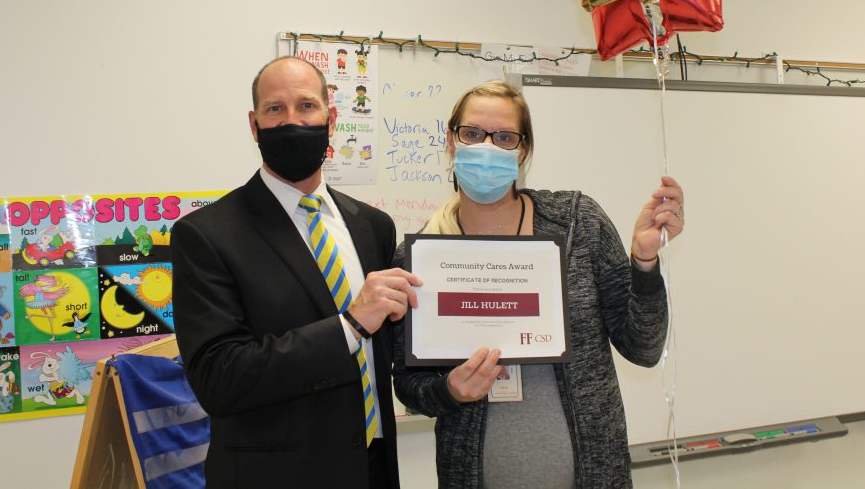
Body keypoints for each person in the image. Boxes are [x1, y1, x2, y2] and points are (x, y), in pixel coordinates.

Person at [391, 80, 684, 489]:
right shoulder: (420, 258)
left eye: (505, 137)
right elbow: (409, 386)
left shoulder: (577, 222)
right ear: (451, 141)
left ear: (523, 149)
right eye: (473, 134)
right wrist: (448, 391)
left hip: (593, 476)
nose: (487, 147)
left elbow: (645, 348)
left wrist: (644, 260)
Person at [172, 56, 421, 488]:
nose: (292, 121)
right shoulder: (206, 235)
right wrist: (348, 325)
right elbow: (218, 378)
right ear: (254, 126)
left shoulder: (373, 226)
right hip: (275, 476)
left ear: (332, 118)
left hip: (374, 466)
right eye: (275, 109)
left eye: (306, 106)